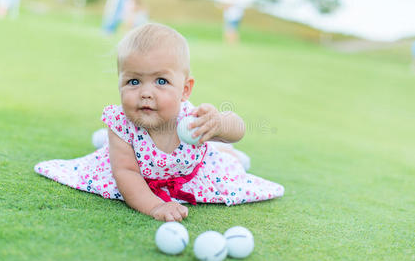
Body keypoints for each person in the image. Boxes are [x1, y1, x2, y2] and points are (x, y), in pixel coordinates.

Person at [34, 23, 284, 222]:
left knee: (228, 158)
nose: (146, 92)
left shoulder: (192, 118)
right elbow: (126, 172)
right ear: (119, 82)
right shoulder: (121, 123)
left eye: (161, 81)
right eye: (133, 81)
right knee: (116, 146)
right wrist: (156, 206)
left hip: (191, 172)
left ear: (185, 90)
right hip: (139, 174)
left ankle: (226, 152)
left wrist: (219, 124)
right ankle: (107, 142)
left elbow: (236, 129)